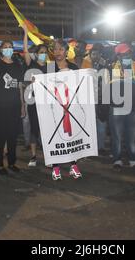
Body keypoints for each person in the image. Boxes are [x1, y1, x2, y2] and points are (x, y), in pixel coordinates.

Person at [0, 40, 25, 175]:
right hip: (0, 106)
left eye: (10, 47)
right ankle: (0, 164)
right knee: (1, 135)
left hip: (14, 106)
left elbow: (19, 87)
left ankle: (12, 162)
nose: (8, 49)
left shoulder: (18, 66)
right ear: (1, 50)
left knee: (12, 135)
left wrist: (22, 105)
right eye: (5, 47)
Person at [109, 43, 135, 171]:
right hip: (116, 108)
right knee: (117, 137)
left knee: (132, 136)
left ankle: (133, 160)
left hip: (133, 108)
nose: (126, 55)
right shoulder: (111, 67)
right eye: (123, 54)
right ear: (118, 55)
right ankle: (117, 160)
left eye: (128, 53)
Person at [50, 39, 82, 180]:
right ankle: (55, 167)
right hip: (54, 110)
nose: (58, 52)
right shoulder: (49, 68)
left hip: (71, 109)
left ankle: (73, 164)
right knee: (56, 136)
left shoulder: (74, 68)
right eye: (55, 49)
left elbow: (80, 87)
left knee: (71, 136)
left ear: (66, 51)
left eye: (61, 49)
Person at [21, 25, 49, 168]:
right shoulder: (30, 63)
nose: (43, 54)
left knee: (46, 130)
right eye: (41, 52)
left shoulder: (51, 68)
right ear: (37, 54)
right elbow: (25, 50)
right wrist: (25, 33)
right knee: (34, 129)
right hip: (33, 103)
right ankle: (33, 156)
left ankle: (48, 157)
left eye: (45, 52)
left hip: (46, 104)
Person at [88, 44, 110, 155]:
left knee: (101, 124)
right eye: (93, 54)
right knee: (90, 125)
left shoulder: (105, 67)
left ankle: (100, 147)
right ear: (90, 55)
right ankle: (91, 147)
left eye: (97, 54)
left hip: (102, 101)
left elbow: (106, 85)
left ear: (101, 55)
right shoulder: (86, 67)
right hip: (89, 100)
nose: (95, 56)